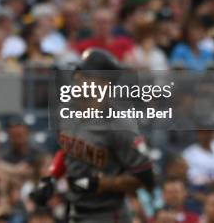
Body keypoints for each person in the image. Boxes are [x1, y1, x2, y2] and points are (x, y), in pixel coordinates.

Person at [32, 49, 154, 223]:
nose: (77, 78)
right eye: (78, 73)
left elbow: (145, 176)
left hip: (108, 215)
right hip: (75, 212)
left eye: (85, 75)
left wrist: (103, 184)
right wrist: (51, 178)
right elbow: (67, 150)